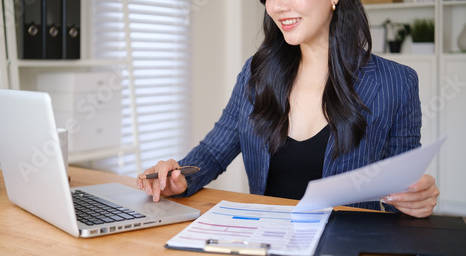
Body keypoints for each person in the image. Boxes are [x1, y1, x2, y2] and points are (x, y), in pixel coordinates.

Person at [137, 0, 439, 218]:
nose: (278, 6)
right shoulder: (256, 73)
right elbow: (213, 153)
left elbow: (402, 184)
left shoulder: (397, 82)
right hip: (267, 245)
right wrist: (179, 178)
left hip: (350, 255)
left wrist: (415, 199)